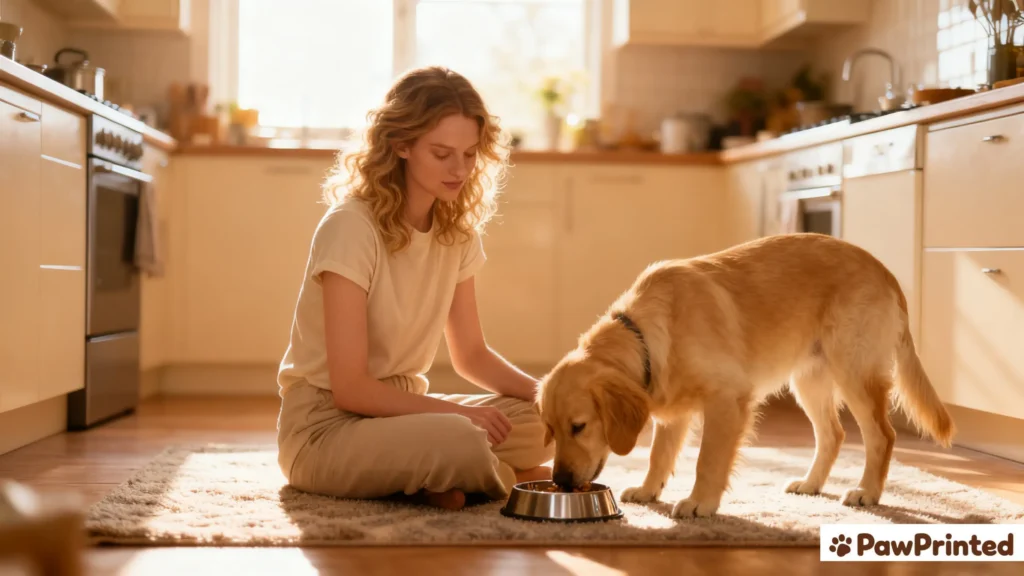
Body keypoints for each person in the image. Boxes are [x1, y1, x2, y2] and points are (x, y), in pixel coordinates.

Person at [275, 66, 554, 511]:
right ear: (400, 144)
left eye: (468, 154)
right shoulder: (351, 227)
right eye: (442, 153)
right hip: (325, 429)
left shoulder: (457, 233)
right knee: (461, 436)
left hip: (405, 411)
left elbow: (472, 356)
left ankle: (442, 481)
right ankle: (515, 478)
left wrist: (552, 395)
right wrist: (462, 416)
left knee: (543, 424)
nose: (459, 169)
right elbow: (350, 389)